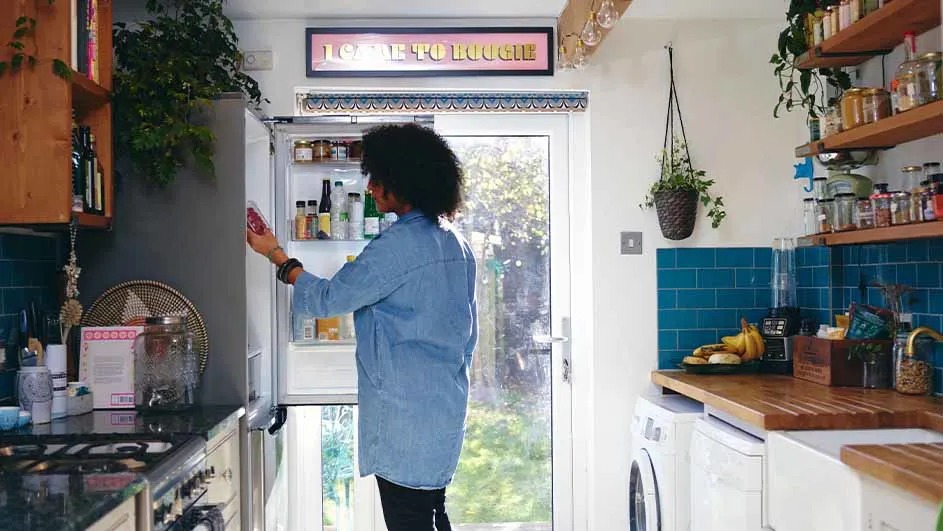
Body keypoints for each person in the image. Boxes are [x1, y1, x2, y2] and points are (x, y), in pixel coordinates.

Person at [247, 123, 478, 531]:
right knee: (432, 513)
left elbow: (328, 300)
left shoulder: (397, 247)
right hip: (445, 410)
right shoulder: (455, 243)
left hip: (405, 421)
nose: (370, 188)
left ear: (403, 181)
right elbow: (467, 334)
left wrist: (279, 257)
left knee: (410, 521)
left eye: (377, 178)